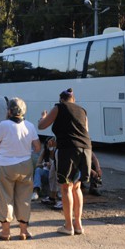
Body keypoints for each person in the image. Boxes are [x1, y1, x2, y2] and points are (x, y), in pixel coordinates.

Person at [38, 88, 91, 236]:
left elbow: (42, 126)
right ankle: (78, 224)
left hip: (68, 151)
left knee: (66, 187)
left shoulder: (59, 107)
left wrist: (43, 117)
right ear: (73, 100)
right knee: (77, 187)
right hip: (85, 149)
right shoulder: (82, 110)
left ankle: (68, 226)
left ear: (61, 100)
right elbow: (83, 132)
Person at [0, 97, 41, 240]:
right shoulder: (30, 126)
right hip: (25, 165)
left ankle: (6, 232)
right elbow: (37, 148)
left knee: (5, 197)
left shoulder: (3, 125)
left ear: (9, 111)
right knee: (24, 198)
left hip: (5, 165)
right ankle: (24, 231)